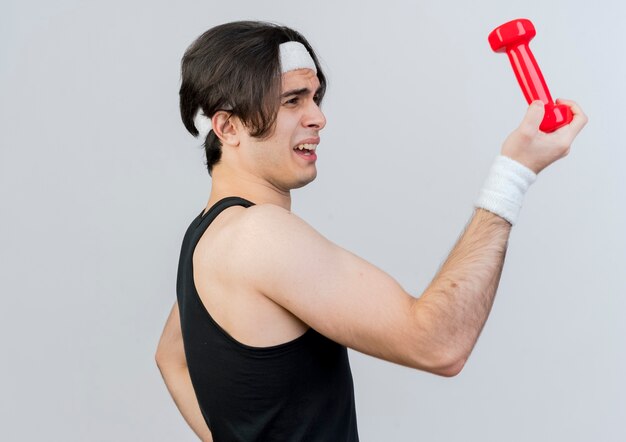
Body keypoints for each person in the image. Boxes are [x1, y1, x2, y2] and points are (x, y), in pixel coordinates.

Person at [155, 20, 587, 441]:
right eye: (292, 101)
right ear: (228, 127)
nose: (318, 117)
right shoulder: (259, 236)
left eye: (316, 98)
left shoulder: (206, 235)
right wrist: (514, 172)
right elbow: (438, 344)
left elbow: (170, 357)